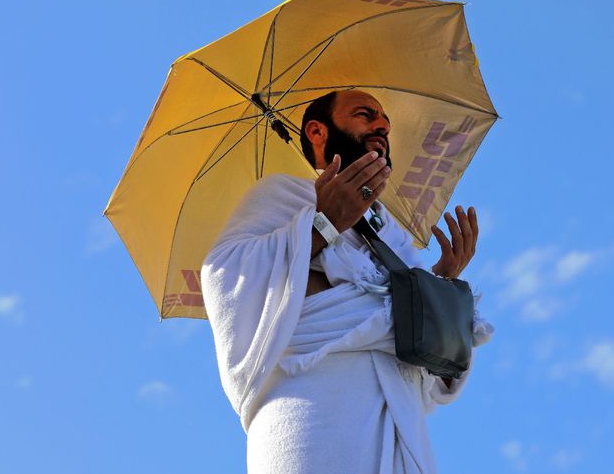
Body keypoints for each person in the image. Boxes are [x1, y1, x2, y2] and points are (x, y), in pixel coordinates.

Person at [201, 89, 494, 474]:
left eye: (385, 121)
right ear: (318, 133)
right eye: (365, 114)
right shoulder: (283, 195)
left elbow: (423, 355)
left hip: (399, 422)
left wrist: (441, 283)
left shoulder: (390, 231)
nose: (382, 125)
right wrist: (322, 223)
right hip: (312, 415)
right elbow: (224, 275)